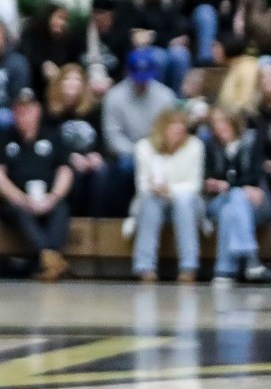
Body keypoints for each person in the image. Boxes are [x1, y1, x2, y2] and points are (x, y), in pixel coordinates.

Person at [0, 90, 74, 282]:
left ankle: (48, 257)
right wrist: (21, 198)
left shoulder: (52, 135)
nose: (23, 115)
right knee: (19, 210)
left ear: (37, 110)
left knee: (61, 208)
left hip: (47, 197)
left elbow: (65, 171)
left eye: (27, 110)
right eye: (18, 111)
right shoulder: (4, 138)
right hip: (16, 200)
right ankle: (50, 257)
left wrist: (53, 197)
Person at [130, 107, 204, 282]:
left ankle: (189, 266)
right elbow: (142, 186)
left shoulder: (195, 146)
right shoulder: (144, 147)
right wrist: (157, 190)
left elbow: (194, 185)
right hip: (154, 200)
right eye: (174, 124)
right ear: (162, 127)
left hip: (189, 203)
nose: (180, 128)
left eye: (182, 124)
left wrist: (169, 190)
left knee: (184, 201)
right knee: (150, 199)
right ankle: (145, 266)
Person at [102, 50, 177, 219]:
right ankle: (120, 217)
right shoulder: (114, 97)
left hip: (160, 150)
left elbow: (172, 131)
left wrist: (156, 151)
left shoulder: (165, 97)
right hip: (128, 153)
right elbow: (112, 137)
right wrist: (140, 152)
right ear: (128, 73)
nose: (142, 83)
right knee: (124, 167)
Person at [204, 107, 271, 285]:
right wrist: (221, 185)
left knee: (232, 207)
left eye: (224, 122)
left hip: (255, 201)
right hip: (218, 201)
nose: (220, 127)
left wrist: (231, 186)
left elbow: (256, 175)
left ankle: (224, 270)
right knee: (235, 197)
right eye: (216, 123)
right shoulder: (209, 146)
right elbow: (207, 177)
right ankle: (252, 261)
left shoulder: (251, 140)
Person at [46, 65, 106, 213]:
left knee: (101, 173)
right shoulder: (50, 113)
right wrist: (69, 158)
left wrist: (96, 155)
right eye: (68, 79)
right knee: (72, 174)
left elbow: (101, 140)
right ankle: (74, 219)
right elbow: (48, 143)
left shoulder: (93, 110)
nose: (72, 83)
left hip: (88, 158)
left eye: (77, 80)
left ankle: (96, 221)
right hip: (63, 161)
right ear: (59, 83)